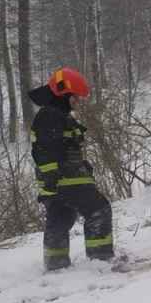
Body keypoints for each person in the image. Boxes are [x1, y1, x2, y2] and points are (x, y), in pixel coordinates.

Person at [29, 67, 114, 271]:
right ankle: (100, 260)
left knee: (61, 217)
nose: (77, 102)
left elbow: (61, 148)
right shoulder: (50, 115)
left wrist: (83, 166)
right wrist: (52, 175)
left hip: (59, 180)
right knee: (99, 209)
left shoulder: (55, 114)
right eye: (74, 97)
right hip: (65, 179)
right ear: (63, 94)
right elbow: (44, 150)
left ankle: (56, 265)